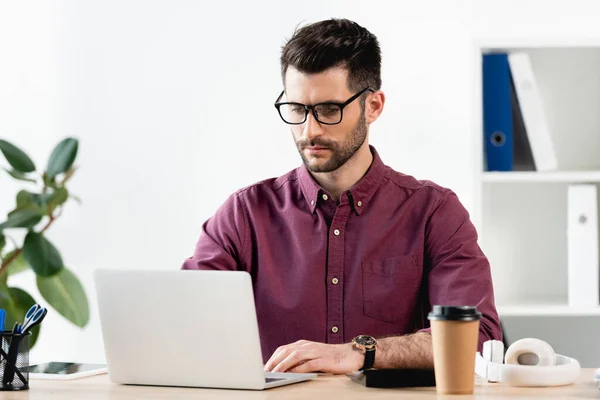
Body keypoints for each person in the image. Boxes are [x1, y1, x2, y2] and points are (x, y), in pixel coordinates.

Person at [181, 18, 501, 375]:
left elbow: (479, 338)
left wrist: (359, 353)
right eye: (298, 109)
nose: (309, 130)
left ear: (374, 106)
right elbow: (185, 323)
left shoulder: (434, 212)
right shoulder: (244, 214)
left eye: (329, 110)